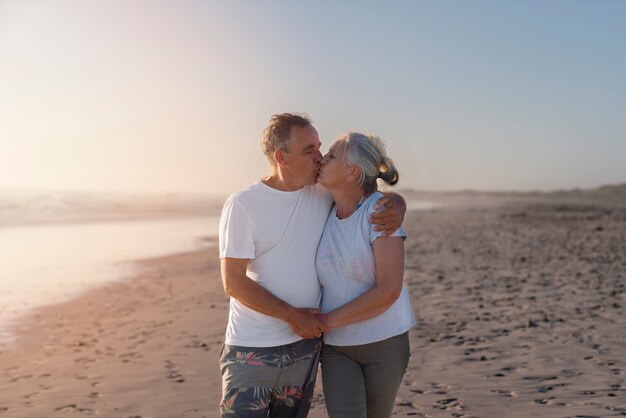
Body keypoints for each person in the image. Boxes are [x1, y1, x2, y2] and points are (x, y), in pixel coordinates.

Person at [218, 114, 406, 417]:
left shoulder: (322, 193)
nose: (319, 158)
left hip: (304, 349)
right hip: (252, 348)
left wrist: (396, 203)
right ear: (281, 157)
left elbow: (363, 193)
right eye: (310, 150)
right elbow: (233, 282)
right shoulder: (243, 204)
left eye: (320, 148)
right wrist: (291, 315)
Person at [315, 132, 415, 418]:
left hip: (384, 343)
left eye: (332, 155)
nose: (323, 158)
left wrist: (325, 321)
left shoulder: (380, 212)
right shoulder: (322, 206)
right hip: (337, 348)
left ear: (353, 173)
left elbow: (389, 291)